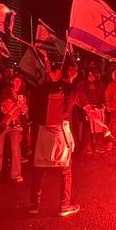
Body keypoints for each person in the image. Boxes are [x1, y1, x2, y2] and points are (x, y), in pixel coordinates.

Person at [28, 67, 82, 217]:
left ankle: (34, 205)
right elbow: (85, 109)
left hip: (42, 132)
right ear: (71, 74)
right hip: (60, 131)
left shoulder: (40, 89)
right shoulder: (72, 90)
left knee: (39, 169)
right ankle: (64, 205)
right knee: (66, 170)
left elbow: (31, 112)